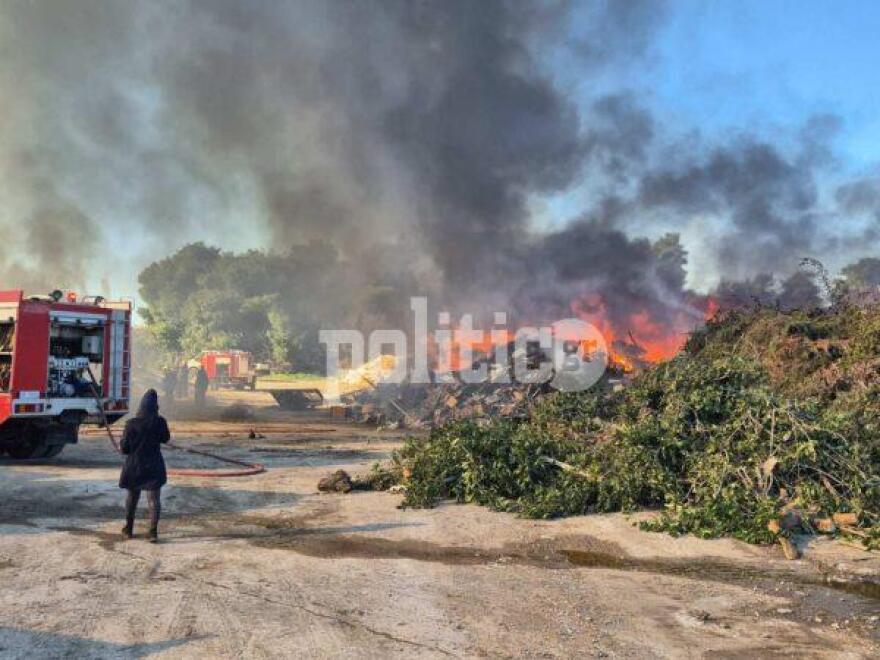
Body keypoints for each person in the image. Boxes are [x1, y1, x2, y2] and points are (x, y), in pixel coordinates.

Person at [119, 389, 170, 543]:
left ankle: (128, 529)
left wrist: (124, 445)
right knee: (154, 499)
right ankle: (153, 533)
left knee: (132, 497)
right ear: (156, 406)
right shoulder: (160, 422)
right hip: (154, 464)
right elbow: (166, 439)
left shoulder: (131, 424)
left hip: (134, 466)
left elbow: (125, 448)